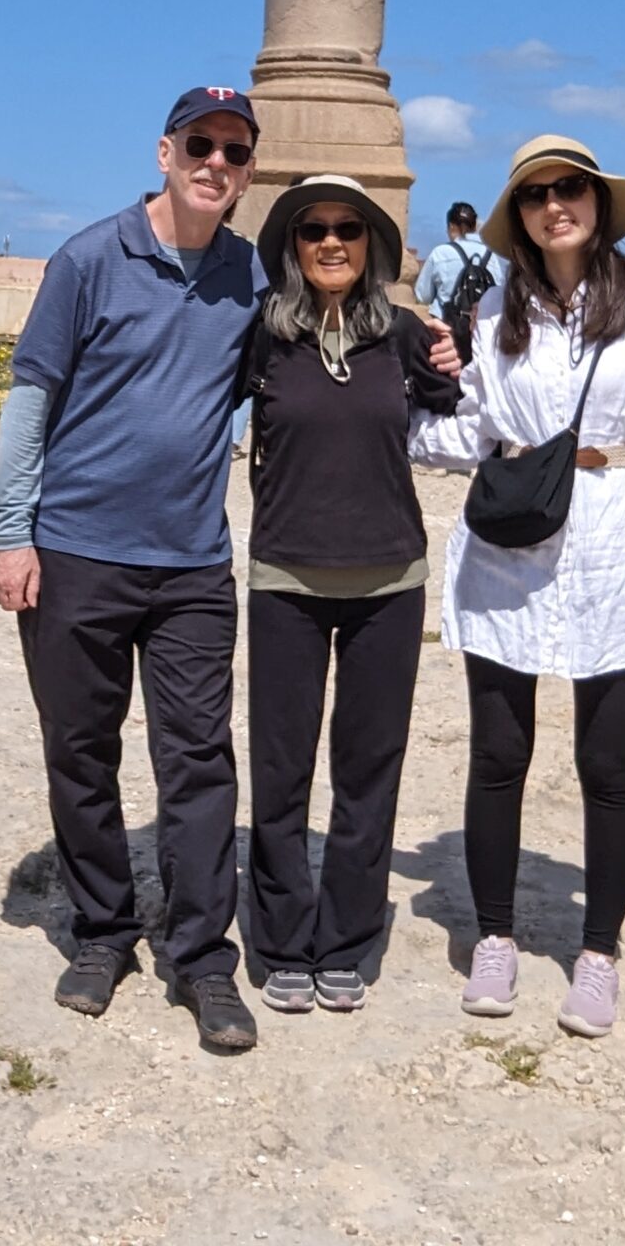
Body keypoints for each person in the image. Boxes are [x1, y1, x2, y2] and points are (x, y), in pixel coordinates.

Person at [412, 136, 625, 1038]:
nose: (555, 205)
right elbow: (471, 428)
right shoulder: (495, 305)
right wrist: (373, 424)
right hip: (513, 535)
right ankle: (496, 938)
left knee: (607, 761)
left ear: (598, 202)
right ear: (517, 214)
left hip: (613, 530)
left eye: (571, 189)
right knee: (499, 754)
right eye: (535, 194)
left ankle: (598, 952)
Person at [0, 88, 268, 1053]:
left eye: (235, 151)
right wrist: (10, 532)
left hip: (192, 564)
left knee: (197, 763)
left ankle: (202, 961)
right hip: (75, 552)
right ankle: (104, 932)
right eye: (202, 144)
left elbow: (301, 364)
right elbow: (32, 398)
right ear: (165, 151)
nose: (217, 163)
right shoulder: (89, 259)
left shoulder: (251, 278)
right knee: (81, 749)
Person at [241, 176, 459, 1016]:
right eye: (312, 231)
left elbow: (469, 414)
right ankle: (283, 939)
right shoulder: (262, 338)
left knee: (369, 771)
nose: (331, 242)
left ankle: (348, 938)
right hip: (286, 578)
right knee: (282, 767)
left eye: (348, 230)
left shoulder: (405, 337)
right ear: (293, 249)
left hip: (389, 582)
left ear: (371, 246)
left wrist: (456, 355)